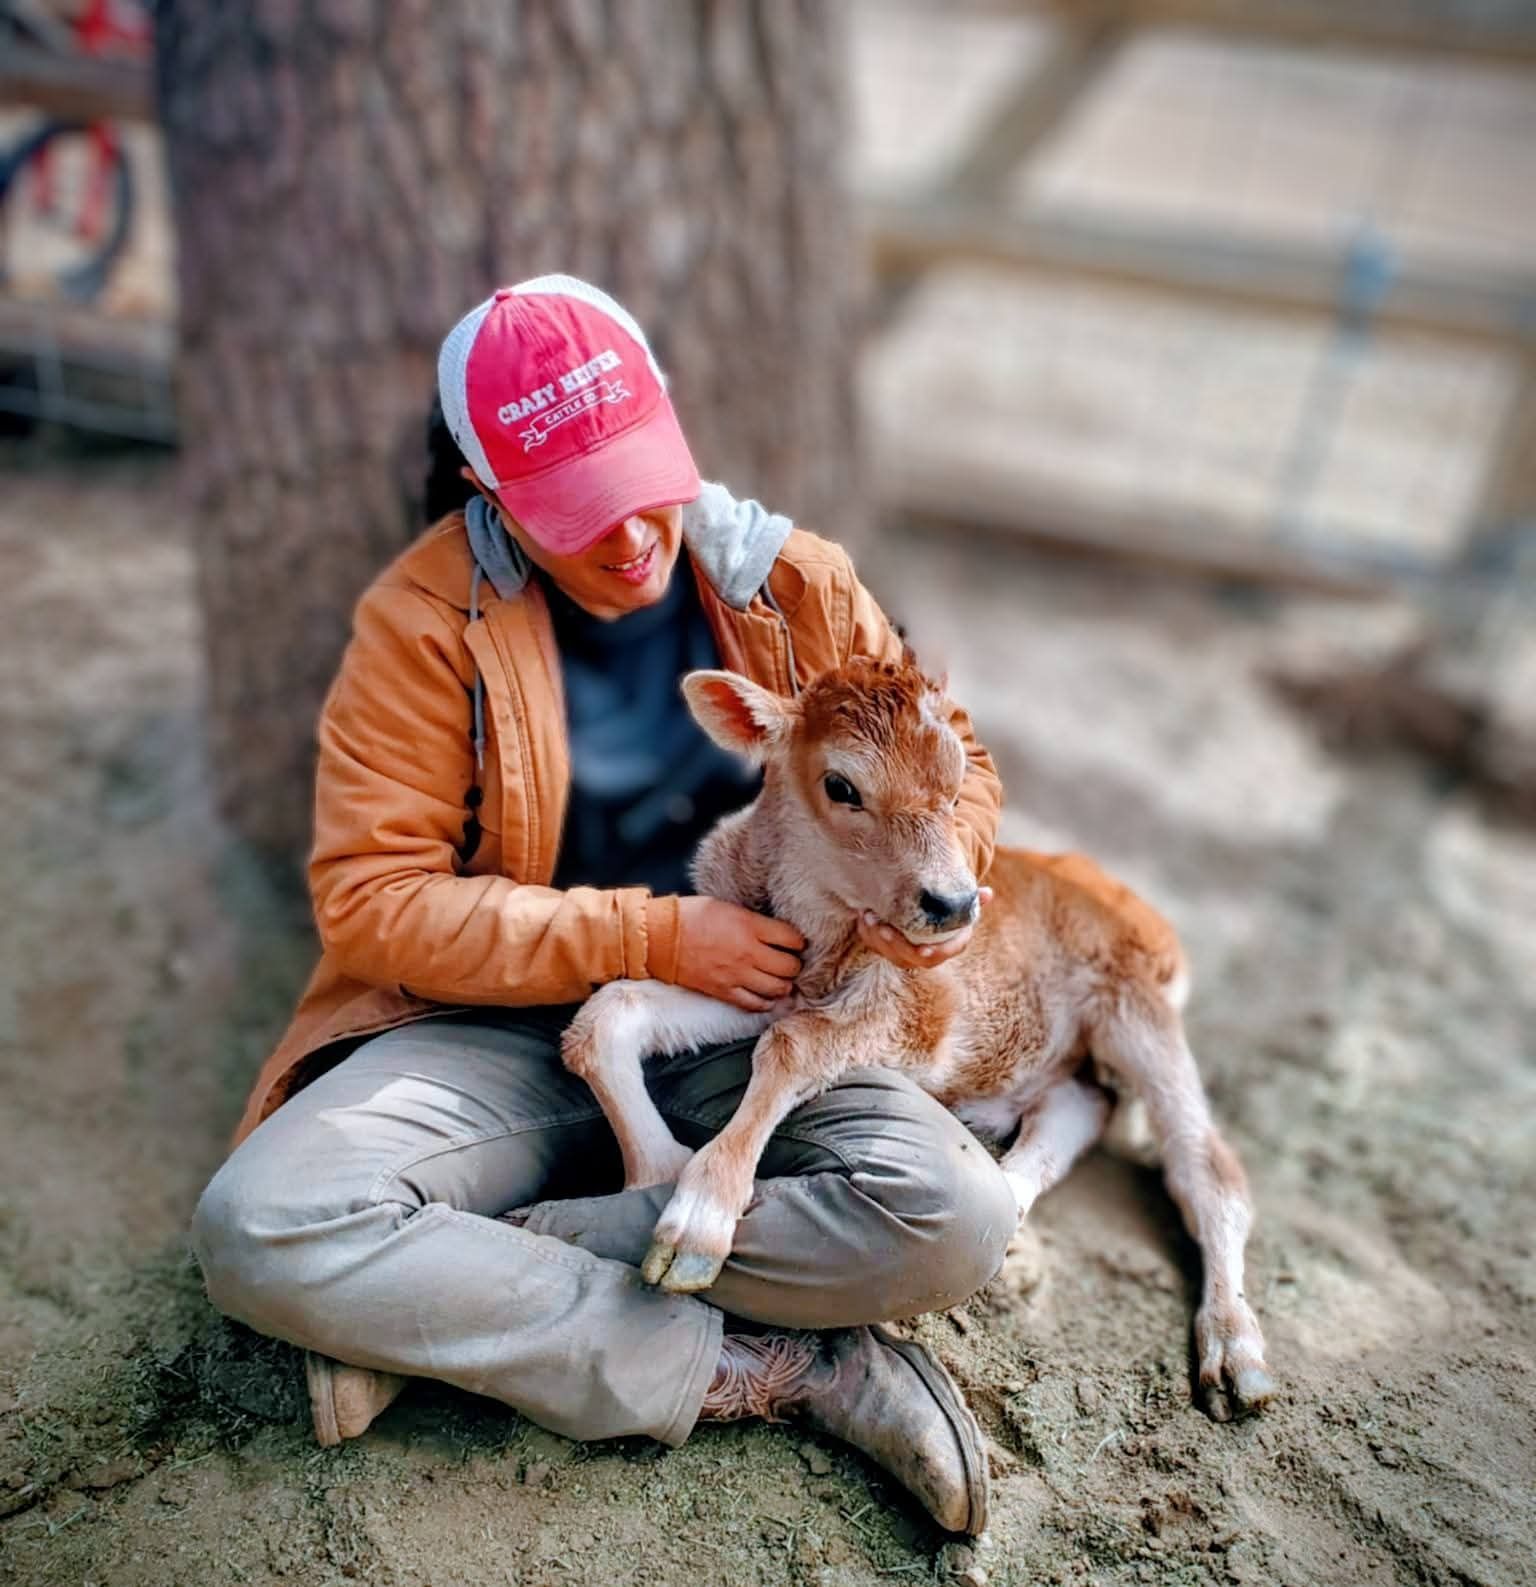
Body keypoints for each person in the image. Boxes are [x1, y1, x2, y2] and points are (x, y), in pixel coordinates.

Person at [190, 274, 1016, 1536]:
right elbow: (372, 906)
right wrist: (651, 934)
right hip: (491, 1030)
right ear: (490, 495)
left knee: (956, 1217)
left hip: (763, 1026)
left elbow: (958, 764)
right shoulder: (421, 626)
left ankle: (465, 1289)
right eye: (573, 511)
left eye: (640, 481)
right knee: (259, 1229)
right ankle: (784, 1368)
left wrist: (927, 869)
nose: (630, 537)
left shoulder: (792, 587)